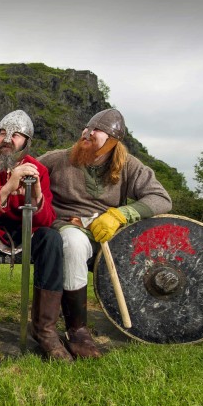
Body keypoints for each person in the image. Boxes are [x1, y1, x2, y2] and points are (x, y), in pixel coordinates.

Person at [40, 108, 172, 358]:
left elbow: (161, 198)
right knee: (74, 242)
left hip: (107, 233)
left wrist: (121, 215)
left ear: (113, 141)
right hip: (65, 226)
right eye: (87, 129)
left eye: (96, 131)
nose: (88, 134)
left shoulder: (127, 165)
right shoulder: (56, 160)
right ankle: (76, 330)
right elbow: (28, 174)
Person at [0, 110, 72, 365]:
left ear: (26, 141)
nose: (7, 139)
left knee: (52, 238)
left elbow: (47, 219)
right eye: (3, 133)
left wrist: (36, 192)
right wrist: (7, 187)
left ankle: (45, 330)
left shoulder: (38, 169)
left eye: (15, 135)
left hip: (28, 231)